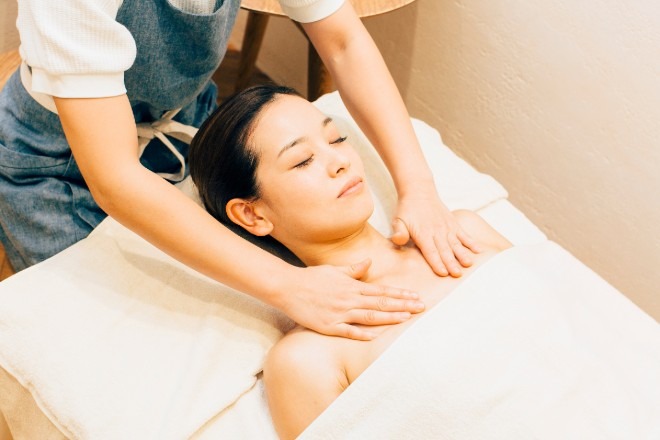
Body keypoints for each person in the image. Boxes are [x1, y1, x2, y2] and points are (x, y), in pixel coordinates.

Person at [0, 0, 480, 339]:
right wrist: (287, 286)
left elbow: (344, 43)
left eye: (335, 140)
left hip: (182, 125)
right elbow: (115, 177)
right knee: (105, 335)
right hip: (58, 168)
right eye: (305, 158)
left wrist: (418, 186)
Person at [188, 83, 513, 439]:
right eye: (302, 160)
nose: (340, 161)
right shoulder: (307, 360)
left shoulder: (464, 235)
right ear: (253, 214)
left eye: (337, 139)